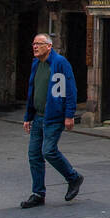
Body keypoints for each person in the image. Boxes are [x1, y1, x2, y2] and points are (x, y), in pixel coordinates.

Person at [22, 33, 83, 208]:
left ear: (49, 46)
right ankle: (38, 193)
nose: (35, 47)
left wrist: (69, 115)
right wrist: (28, 117)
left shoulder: (60, 63)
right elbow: (32, 91)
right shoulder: (36, 63)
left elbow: (70, 89)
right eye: (33, 44)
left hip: (54, 116)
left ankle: (73, 177)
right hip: (38, 116)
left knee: (48, 151)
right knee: (34, 155)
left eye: (39, 44)